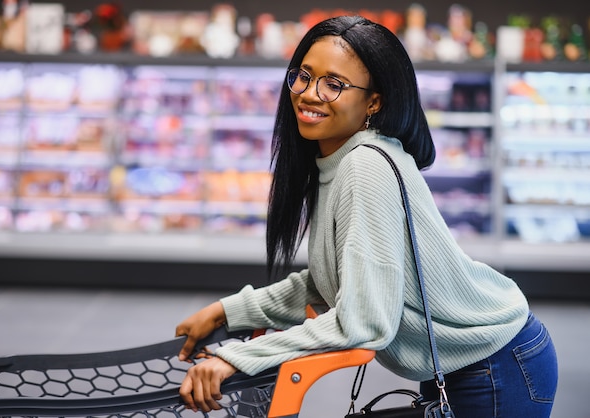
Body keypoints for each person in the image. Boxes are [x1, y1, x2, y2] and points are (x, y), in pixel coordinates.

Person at [175, 15, 558, 417]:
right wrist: (227, 311)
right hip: (469, 360)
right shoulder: (336, 161)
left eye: (333, 84)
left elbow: (364, 322)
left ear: (373, 102)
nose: (308, 94)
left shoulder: (365, 166)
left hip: (496, 366)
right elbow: (331, 282)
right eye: (303, 76)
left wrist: (241, 356)